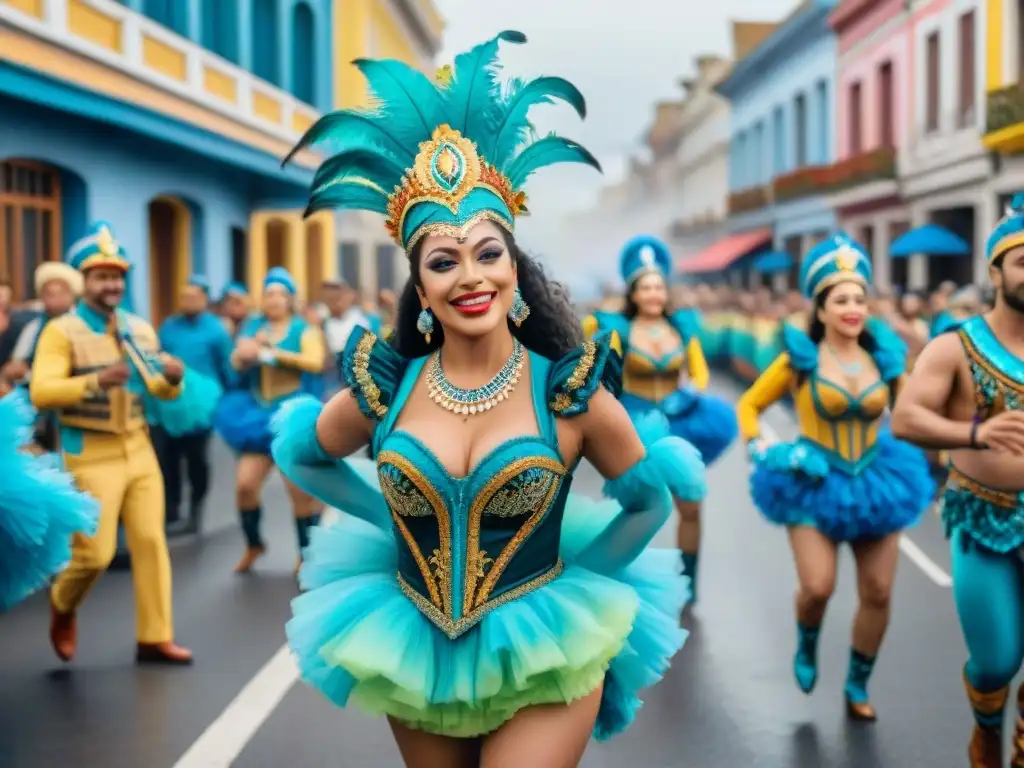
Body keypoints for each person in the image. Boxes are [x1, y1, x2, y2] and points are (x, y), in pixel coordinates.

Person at [270, 31, 703, 767]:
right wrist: (386, 517)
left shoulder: (568, 392)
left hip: (546, 645)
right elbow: (304, 456)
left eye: (488, 253)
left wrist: (583, 589)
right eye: (444, 262)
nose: (471, 277)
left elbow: (647, 502)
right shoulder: (386, 389)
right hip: (416, 641)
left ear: (513, 267)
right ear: (421, 288)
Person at [736, 233, 934, 721]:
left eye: (860, 299)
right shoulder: (799, 360)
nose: (853, 309)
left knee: (879, 591)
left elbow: (914, 410)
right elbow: (750, 405)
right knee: (818, 586)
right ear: (820, 309)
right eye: (841, 300)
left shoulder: (885, 359)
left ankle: (857, 683)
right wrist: (763, 449)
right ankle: (807, 641)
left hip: (876, 479)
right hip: (812, 482)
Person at [891, 196, 1024, 767]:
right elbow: (905, 418)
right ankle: (987, 725)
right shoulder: (955, 346)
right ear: (995, 271)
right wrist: (976, 433)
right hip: (983, 518)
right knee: (997, 660)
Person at [29, 221, 193, 664]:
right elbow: (41, 392)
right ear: (84, 281)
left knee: (151, 542)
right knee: (95, 555)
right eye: (102, 276)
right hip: (90, 452)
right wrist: (96, 381)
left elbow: (159, 390)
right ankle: (63, 603)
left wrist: (173, 378)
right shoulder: (61, 331)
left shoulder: (139, 329)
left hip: (138, 447)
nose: (112, 285)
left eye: (117, 276)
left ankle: (155, 637)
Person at [582, 235, 738, 601]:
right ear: (633, 293)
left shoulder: (682, 328)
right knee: (640, 510)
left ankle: (688, 583)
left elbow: (698, 371)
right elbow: (602, 367)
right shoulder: (620, 329)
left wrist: (695, 390)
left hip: (678, 421)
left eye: (658, 287)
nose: (653, 294)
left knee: (691, 506)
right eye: (645, 287)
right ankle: (619, 581)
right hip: (634, 426)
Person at [212, 267, 326, 574]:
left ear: (290, 299)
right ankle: (254, 544)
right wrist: (244, 354)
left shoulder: (305, 329)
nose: (274, 300)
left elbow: (315, 362)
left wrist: (269, 353)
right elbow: (235, 364)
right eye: (268, 294)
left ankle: (305, 555)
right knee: (244, 486)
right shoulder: (253, 328)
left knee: (299, 492)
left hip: (292, 416)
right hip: (258, 416)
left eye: (280, 294)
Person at [154, 276, 234, 534]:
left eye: (193, 296)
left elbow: (226, 367)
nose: (187, 301)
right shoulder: (168, 327)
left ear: (204, 299)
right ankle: (171, 511)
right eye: (184, 296)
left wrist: (225, 401)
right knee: (168, 459)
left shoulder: (215, 330)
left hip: (202, 408)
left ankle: (195, 512)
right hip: (171, 404)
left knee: (196, 460)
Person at [0, 262, 82, 453]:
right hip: (34, 408)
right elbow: (16, 365)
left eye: (60, 292)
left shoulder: (81, 326)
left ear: (72, 294)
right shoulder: (33, 327)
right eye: (48, 293)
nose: (53, 298)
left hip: (71, 407)